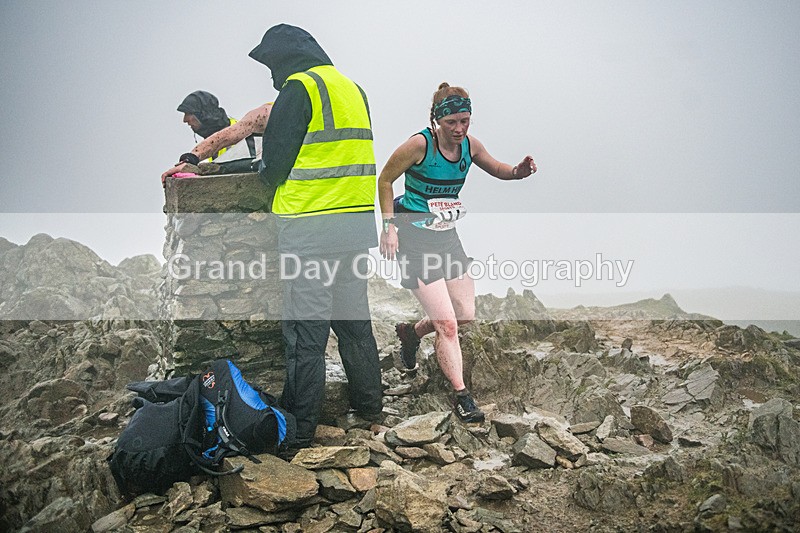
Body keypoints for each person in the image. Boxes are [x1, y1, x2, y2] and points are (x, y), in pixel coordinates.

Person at [249, 24, 383, 450]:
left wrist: (264, 173)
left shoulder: (298, 89)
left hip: (310, 229)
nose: (272, 77)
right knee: (354, 322)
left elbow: (275, 164)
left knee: (306, 332)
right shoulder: (352, 89)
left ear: (285, 59)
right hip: (355, 223)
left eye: (272, 67)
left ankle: (300, 428)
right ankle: (370, 405)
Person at [377, 82, 537, 423]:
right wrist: (388, 227)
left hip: (447, 238)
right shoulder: (419, 145)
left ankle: (411, 333)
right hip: (414, 240)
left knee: (464, 313)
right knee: (448, 326)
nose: (459, 128)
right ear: (437, 120)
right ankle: (462, 397)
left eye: (465, 120)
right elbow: (386, 180)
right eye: (452, 122)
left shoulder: (470, 146)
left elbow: (497, 168)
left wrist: (516, 173)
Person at [161, 91, 272, 183]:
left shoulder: (240, 137)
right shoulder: (210, 142)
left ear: (202, 115)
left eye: (188, 114)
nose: (185, 120)